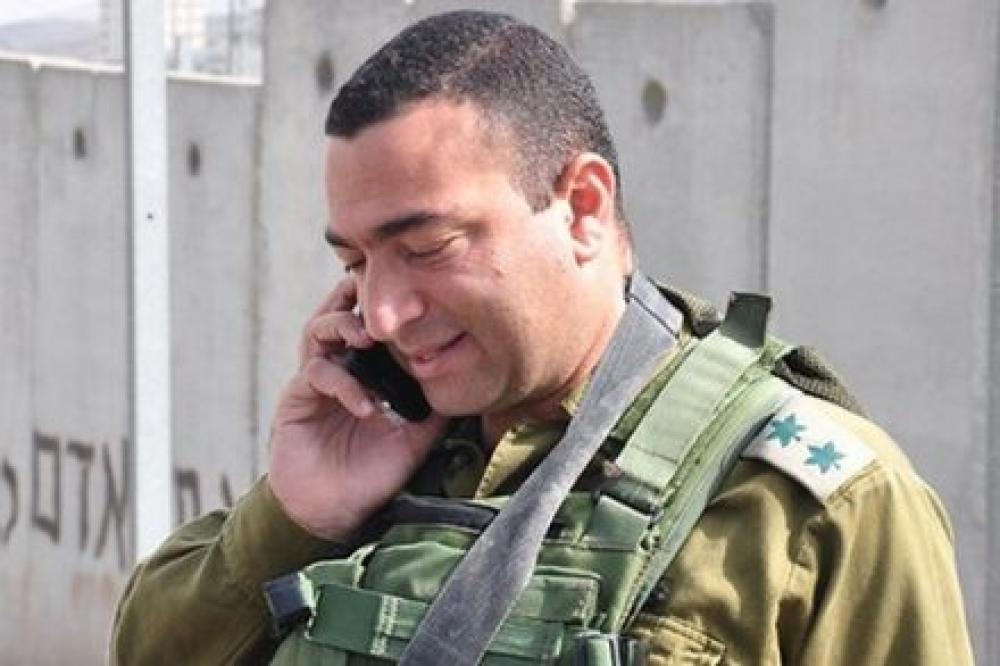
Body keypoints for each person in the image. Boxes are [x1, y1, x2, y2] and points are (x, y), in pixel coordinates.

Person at [110, 10, 973, 664]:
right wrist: (294, 517)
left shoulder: (816, 505)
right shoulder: (378, 449)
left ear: (583, 208)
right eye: (356, 261)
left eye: (427, 248)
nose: (382, 314)